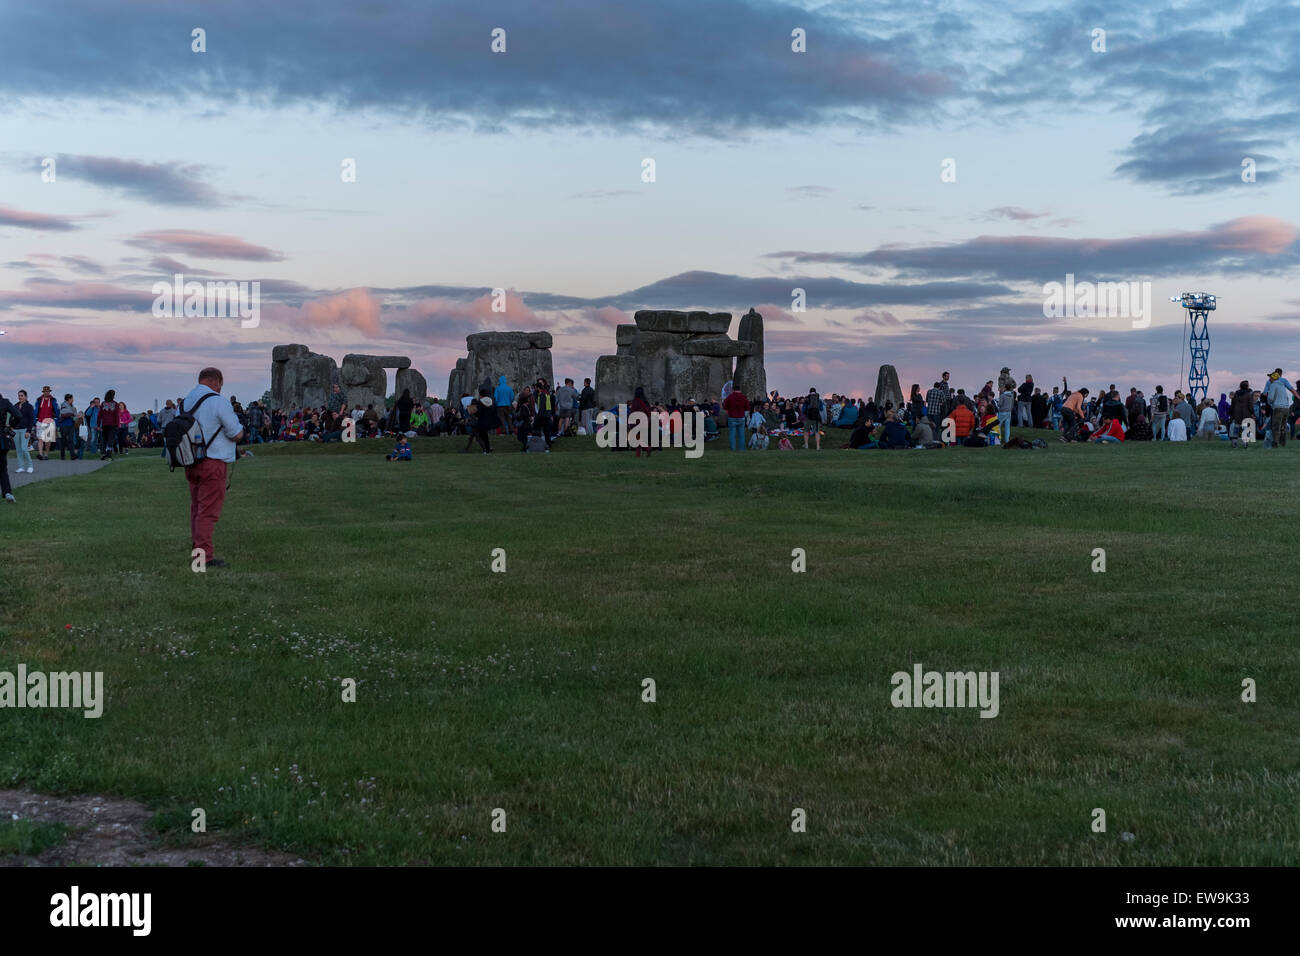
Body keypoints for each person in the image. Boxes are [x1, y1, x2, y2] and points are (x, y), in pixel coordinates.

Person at [182, 368, 244, 569]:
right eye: (220, 385)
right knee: (208, 511)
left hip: (190, 461)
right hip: (213, 461)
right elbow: (236, 433)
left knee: (197, 509)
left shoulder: (185, 403)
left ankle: (197, 549)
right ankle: (203, 558)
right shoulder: (218, 402)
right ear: (216, 381)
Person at [1265, 369, 1298, 447]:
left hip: (1278, 408)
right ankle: (1283, 443)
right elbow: (1287, 397)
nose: (1269, 379)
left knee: (1276, 426)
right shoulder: (1282, 385)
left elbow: (1270, 398)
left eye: (1270, 377)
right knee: (1283, 426)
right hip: (1286, 408)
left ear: (1273, 378)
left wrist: (1271, 405)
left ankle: (1275, 443)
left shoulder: (1273, 385)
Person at [465, 388, 498, 454]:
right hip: (489, 420)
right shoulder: (491, 401)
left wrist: (473, 413)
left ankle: (486, 449)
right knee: (483, 436)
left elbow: (479, 413)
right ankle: (487, 449)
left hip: (481, 422)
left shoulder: (480, 403)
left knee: (481, 436)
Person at [11, 389, 34, 473]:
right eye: (19, 396)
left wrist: (28, 431)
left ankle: (30, 466)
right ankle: (21, 467)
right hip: (16, 430)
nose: (20, 397)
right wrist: (11, 426)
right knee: (18, 449)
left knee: (24, 448)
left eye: (22, 395)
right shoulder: (15, 406)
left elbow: (31, 420)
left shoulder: (29, 406)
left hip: (25, 430)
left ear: (26, 397)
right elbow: (11, 418)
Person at [34, 385, 58, 460]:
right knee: (40, 439)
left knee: (48, 440)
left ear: (49, 392)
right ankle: (40, 454)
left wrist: (56, 420)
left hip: (49, 421)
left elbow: (57, 410)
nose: (46, 393)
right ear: (43, 392)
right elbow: (36, 410)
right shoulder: (39, 400)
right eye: (45, 391)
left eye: (48, 391)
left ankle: (46, 454)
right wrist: (35, 420)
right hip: (40, 420)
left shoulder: (53, 400)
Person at [723, 385, 750, 451]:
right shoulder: (744, 397)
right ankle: (742, 449)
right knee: (741, 434)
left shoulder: (729, 397)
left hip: (732, 417)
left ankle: (733, 448)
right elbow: (747, 408)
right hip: (741, 417)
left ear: (733, 390)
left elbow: (725, 407)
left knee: (732, 434)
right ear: (740, 389)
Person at [98, 390, 120, 460]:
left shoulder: (103, 403)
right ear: (113, 396)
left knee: (105, 439)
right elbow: (117, 415)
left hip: (104, 425)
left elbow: (99, 415)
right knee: (111, 440)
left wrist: (98, 424)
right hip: (113, 424)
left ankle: (103, 453)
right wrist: (118, 424)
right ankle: (108, 455)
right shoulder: (116, 404)